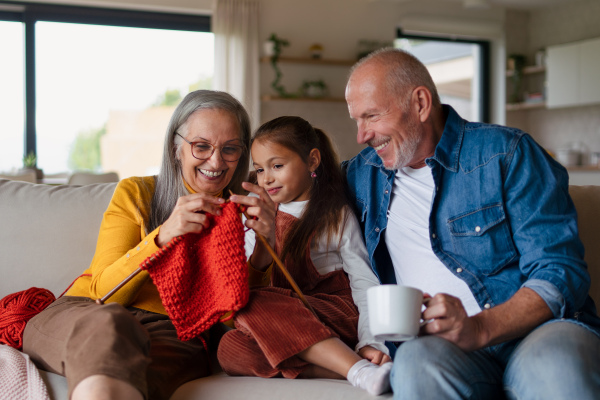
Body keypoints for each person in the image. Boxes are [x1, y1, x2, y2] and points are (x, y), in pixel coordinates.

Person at [343, 47, 600, 399]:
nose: (362, 135)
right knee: (415, 366)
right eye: (356, 120)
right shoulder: (363, 173)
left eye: (371, 116)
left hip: (540, 331)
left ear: (420, 103)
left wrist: (479, 327)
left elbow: (560, 272)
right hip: (443, 348)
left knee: (555, 368)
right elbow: (301, 177)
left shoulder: (506, 154)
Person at [22, 90, 259, 400]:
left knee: (127, 376)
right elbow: (105, 292)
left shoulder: (244, 212)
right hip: (88, 311)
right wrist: (161, 237)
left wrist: (263, 251)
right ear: (177, 148)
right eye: (201, 146)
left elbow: (232, 319)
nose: (215, 161)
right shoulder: (136, 192)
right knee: (111, 324)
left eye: (230, 149)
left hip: (173, 331)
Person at [217, 116, 393, 395]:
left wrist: (371, 340)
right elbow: (253, 282)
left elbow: (363, 280)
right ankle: (349, 367)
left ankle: (357, 367)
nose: (267, 178)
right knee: (230, 348)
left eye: (277, 165)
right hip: (282, 319)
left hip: (330, 313)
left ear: (312, 161)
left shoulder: (334, 214)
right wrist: (262, 237)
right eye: (260, 169)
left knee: (253, 302)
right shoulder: (256, 213)